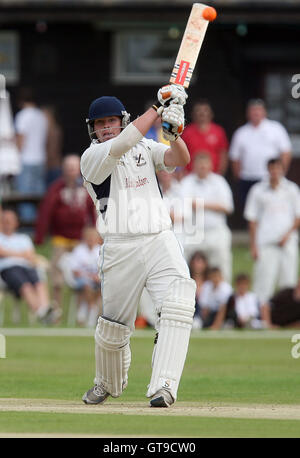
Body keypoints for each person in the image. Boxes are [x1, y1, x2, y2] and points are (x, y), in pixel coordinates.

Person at [80, 86, 196, 408]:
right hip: (120, 247)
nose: (106, 127)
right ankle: (106, 382)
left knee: (178, 303)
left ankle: (164, 386)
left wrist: (174, 134)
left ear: (122, 120)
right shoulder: (92, 158)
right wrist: (159, 107)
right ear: (93, 128)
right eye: (100, 123)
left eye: (111, 121)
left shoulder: (145, 146)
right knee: (114, 329)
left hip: (159, 238)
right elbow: (123, 142)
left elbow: (179, 159)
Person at [35, 155, 96, 312]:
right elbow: (45, 212)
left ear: (79, 169)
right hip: (60, 239)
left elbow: (93, 211)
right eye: (68, 168)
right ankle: (56, 310)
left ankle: (81, 313)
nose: (71, 171)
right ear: (64, 169)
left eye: (74, 168)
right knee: (57, 277)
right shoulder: (56, 188)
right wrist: (40, 236)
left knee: (84, 274)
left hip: (80, 240)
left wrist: (95, 234)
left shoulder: (86, 187)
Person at [244, 158, 300, 306]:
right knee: (263, 281)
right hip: (266, 242)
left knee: (288, 280)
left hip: (287, 243)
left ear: (283, 169)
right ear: (268, 170)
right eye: (272, 169)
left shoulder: (292, 189)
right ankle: (260, 316)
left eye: (278, 168)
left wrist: (287, 235)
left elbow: (297, 216)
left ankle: (286, 315)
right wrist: (253, 245)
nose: (275, 172)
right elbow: (252, 220)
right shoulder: (258, 190)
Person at [229, 99, 292, 210]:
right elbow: (235, 158)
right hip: (247, 178)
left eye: (259, 110)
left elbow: (286, 153)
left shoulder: (276, 128)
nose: (256, 113)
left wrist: (281, 172)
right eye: (253, 110)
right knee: (250, 210)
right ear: (248, 113)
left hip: (269, 177)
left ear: (264, 112)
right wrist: (239, 177)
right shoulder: (241, 132)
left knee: (271, 208)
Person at [180, 153, 234, 282]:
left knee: (221, 261)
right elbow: (183, 204)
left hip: (215, 230)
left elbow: (227, 207)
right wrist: (213, 205)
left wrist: (200, 203)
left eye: (205, 164)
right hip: (193, 231)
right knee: (183, 260)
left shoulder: (219, 182)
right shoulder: (187, 182)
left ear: (210, 165)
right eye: (200, 165)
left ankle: (222, 292)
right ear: (194, 166)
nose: (203, 167)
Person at [0, 209, 51, 321]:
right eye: (5, 221)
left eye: (10, 221)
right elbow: (1, 252)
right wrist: (21, 254)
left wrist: (12, 253)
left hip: (27, 267)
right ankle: (41, 314)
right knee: (25, 285)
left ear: (16, 223)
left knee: (39, 282)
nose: (7, 223)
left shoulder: (23, 238)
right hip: (8, 270)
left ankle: (45, 310)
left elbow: (30, 256)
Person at [15, 88, 48, 222]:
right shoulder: (41, 116)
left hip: (26, 159)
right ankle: (40, 224)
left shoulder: (22, 115)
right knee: (39, 196)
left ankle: (28, 227)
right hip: (40, 159)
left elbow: (21, 141)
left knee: (25, 196)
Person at [181, 99, 229, 175]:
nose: (202, 113)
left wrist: (220, 174)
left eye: (205, 110)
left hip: (213, 175)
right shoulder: (187, 132)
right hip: (191, 176)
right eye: (198, 110)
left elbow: (223, 155)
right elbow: (181, 154)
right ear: (193, 114)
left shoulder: (218, 131)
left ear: (211, 114)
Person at [69, 227, 102, 328]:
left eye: (93, 237)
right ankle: (92, 309)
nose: (91, 240)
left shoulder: (100, 250)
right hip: (81, 279)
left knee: (103, 286)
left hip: (96, 280)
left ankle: (85, 307)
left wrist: (98, 276)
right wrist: (90, 276)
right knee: (87, 285)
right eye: (89, 238)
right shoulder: (79, 250)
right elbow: (75, 271)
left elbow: (103, 269)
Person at [42, 105, 63, 187]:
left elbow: (53, 151)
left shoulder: (53, 130)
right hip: (51, 166)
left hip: (53, 167)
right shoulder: (49, 129)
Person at [188, 251, 209, 329]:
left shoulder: (210, 282)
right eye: (195, 262)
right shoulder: (187, 280)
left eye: (200, 262)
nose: (197, 265)